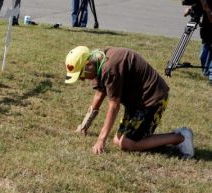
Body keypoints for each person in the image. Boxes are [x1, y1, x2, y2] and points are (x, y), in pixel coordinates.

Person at [64, 46, 195, 158]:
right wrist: (85, 125)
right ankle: (168, 138)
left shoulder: (109, 68)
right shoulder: (97, 60)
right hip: (135, 102)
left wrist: (101, 140)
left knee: (127, 143)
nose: (81, 79)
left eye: (80, 74)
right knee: (117, 141)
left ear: (88, 65)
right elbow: (99, 94)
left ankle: (181, 137)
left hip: (152, 100)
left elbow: (114, 106)